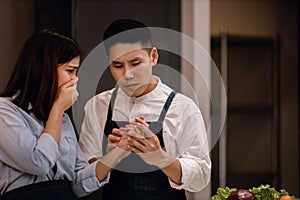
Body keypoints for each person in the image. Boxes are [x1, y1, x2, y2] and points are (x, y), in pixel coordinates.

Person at [78, 19, 211, 200]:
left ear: (153, 57)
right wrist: (113, 155)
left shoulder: (183, 108)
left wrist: (159, 157)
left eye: (135, 63)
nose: (127, 74)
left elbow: (201, 176)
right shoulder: (97, 106)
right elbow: (81, 180)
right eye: (118, 65)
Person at [0, 29, 129, 200]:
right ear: (45, 69)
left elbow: (78, 184)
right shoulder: (5, 110)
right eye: (70, 71)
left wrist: (117, 153)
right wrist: (58, 108)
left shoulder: (63, 120)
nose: (75, 79)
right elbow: (38, 162)